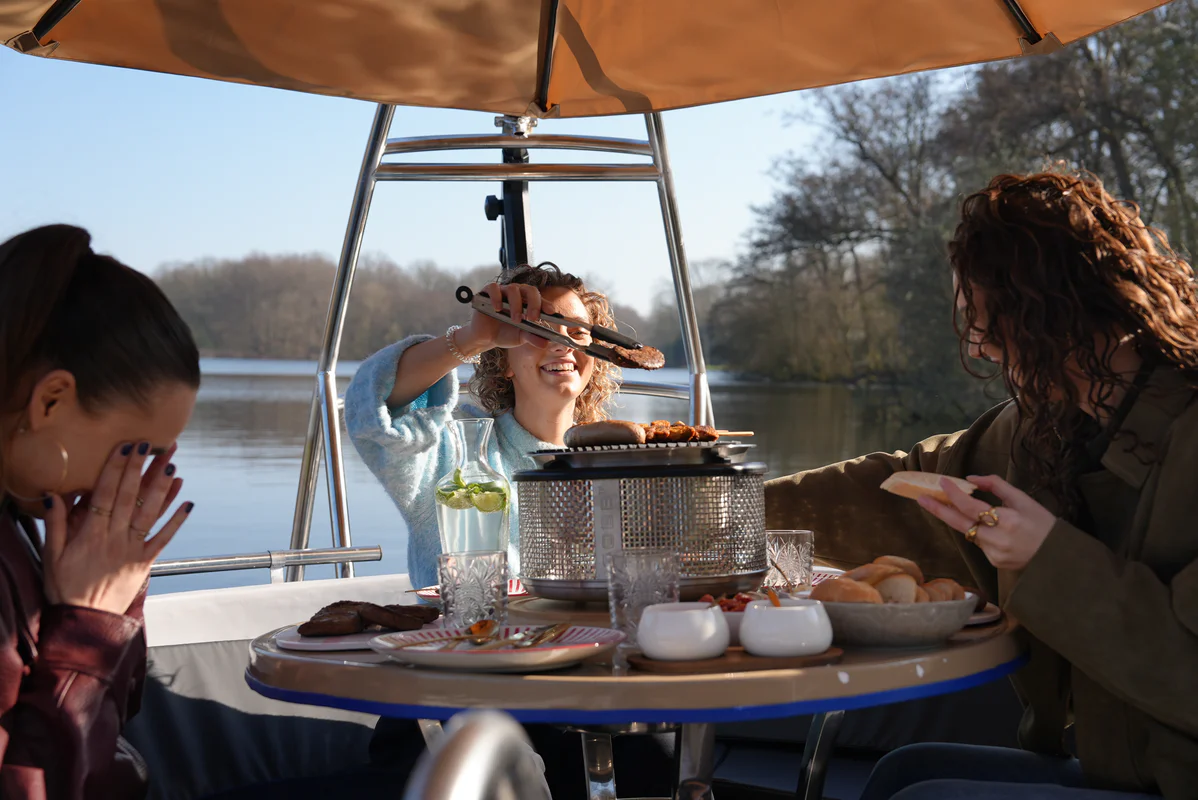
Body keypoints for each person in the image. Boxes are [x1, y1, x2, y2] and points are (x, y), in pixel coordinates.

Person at [766, 171, 1198, 799]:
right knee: (906, 772)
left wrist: (1047, 557)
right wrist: (724, 507)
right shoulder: (1050, 427)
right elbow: (903, 484)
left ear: (1056, 310)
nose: (980, 348)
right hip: (1120, 769)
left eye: (989, 322)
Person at [345, 262, 675, 799]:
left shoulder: (623, 465)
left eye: (576, 331)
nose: (560, 343)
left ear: (596, 356)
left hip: (581, 697)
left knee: (657, 759)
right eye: (538, 330)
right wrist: (471, 338)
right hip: (456, 704)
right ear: (503, 362)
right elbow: (375, 408)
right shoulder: (456, 452)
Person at [0, 225, 199, 798]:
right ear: (51, 401)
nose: (141, 476)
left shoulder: (22, 522)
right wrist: (87, 629)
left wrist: (117, 596)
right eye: (137, 450)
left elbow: (112, 725)